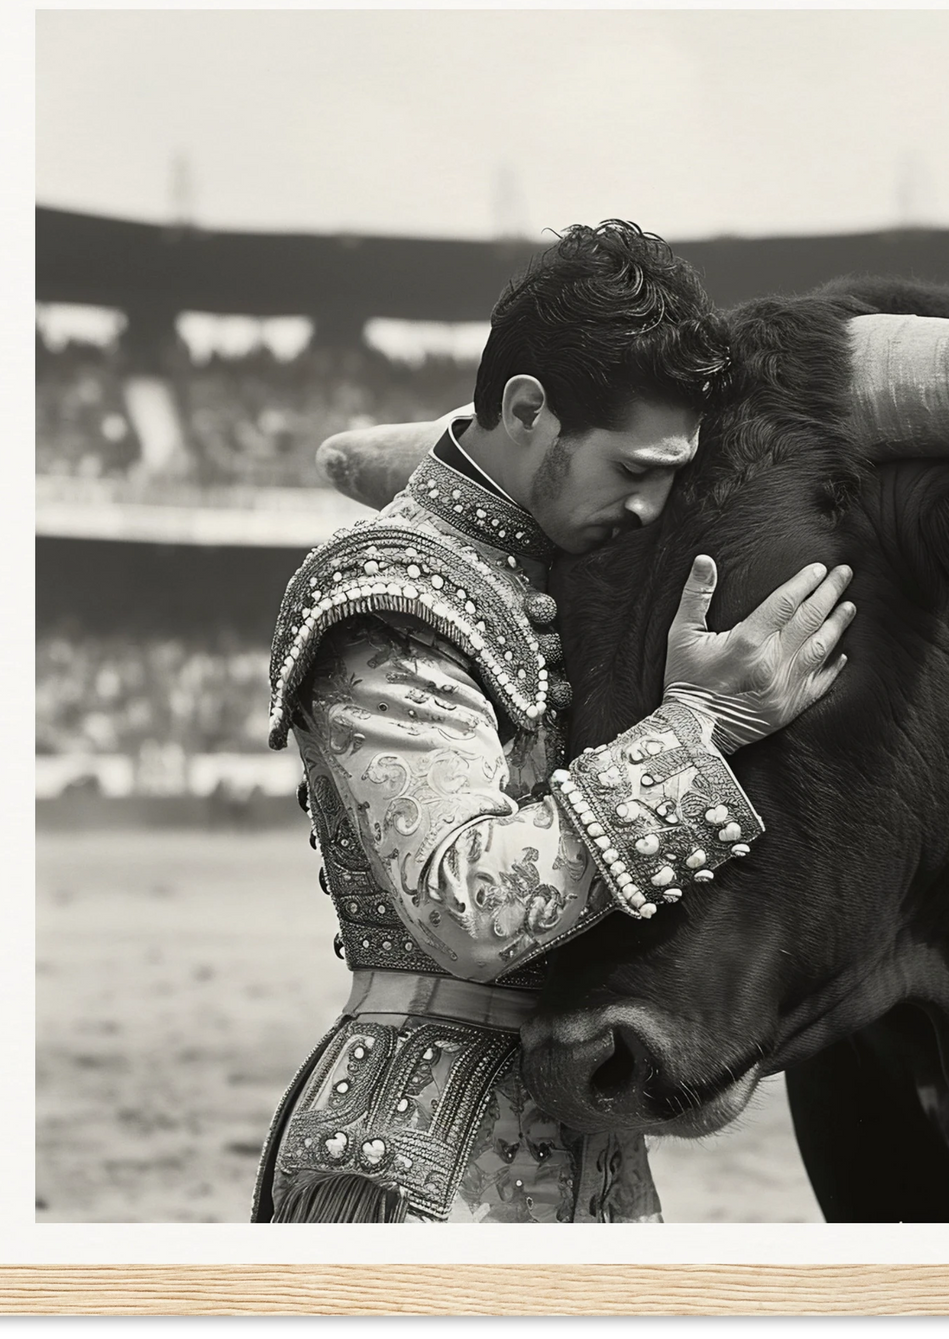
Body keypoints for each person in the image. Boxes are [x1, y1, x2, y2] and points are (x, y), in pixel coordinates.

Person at [253, 220, 857, 1224]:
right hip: (417, 1165)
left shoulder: (576, 571)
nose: (651, 505)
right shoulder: (396, 586)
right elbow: (467, 906)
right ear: (527, 409)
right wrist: (698, 725)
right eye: (633, 469)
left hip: (592, 1161)